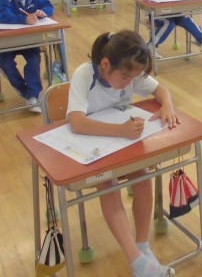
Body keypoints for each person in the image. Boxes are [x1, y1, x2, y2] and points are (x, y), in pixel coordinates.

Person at [67, 30, 179, 277]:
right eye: (126, 78)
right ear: (105, 64)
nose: (129, 83)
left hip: (122, 144)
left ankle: (142, 246)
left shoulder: (129, 70)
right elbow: (76, 122)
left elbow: (161, 90)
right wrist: (120, 131)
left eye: (134, 78)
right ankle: (136, 260)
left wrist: (168, 106)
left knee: (143, 178)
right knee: (108, 185)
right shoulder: (85, 74)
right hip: (93, 145)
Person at [0, 0, 54, 113]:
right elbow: (0, 15)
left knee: (34, 59)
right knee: (5, 63)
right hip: (6, 41)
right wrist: (23, 19)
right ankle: (27, 92)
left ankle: (33, 95)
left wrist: (43, 12)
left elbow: (49, 6)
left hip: (28, 39)